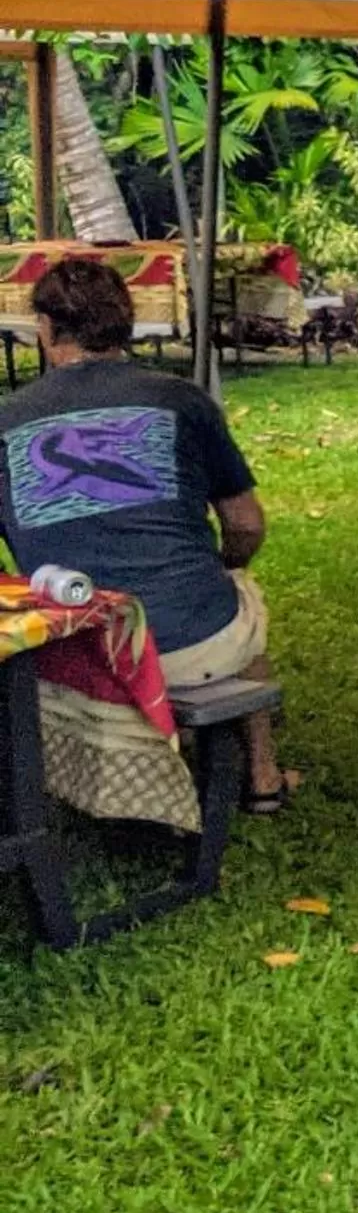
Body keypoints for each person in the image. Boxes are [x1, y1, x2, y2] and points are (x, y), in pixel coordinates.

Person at [0, 259, 286, 814]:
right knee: (240, 598)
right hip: (190, 642)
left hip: (64, 653)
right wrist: (224, 566)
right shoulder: (182, 400)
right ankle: (263, 775)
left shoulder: (6, 421)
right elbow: (247, 524)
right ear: (126, 324)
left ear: (44, 328)